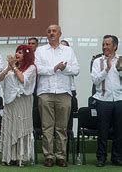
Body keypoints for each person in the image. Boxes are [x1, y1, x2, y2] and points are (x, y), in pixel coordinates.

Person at [35, 24, 79, 167]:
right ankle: (48, 156)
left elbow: (76, 70)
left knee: (62, 127)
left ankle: (61, 156)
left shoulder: (68, 50)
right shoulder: (40, 50)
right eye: (49, 31)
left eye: (54, 31)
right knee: (46, 127)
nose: (51, 33)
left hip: (64, 93)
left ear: (60, 33)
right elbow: (38, 69)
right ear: (46, 34)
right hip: (45, 92)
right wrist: (53, 68)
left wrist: (64, 68)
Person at [0, 45, 36, 166]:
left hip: (23, 101)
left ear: (26, 54)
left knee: (21, 127)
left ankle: (21, 157)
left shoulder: (31, 67)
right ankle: (8, 157)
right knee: (10, 127)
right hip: (10, 102)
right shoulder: (11, 66)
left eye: (20, 52)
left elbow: (22, 79)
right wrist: (7, 68)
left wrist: (13, 67)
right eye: (17, 52)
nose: (17, 54)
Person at [90, 35, 122, 167]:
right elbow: (95, 80)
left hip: (120, 99)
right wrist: (107, 68)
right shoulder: (98, 61)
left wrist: (120, 71)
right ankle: (101, 158)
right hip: (103, 100)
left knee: (119, 131)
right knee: (102, 131)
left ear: (115, 46)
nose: (105, 47)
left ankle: (117, 157)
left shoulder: (121, 60)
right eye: (103, 44)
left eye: (107, 44)